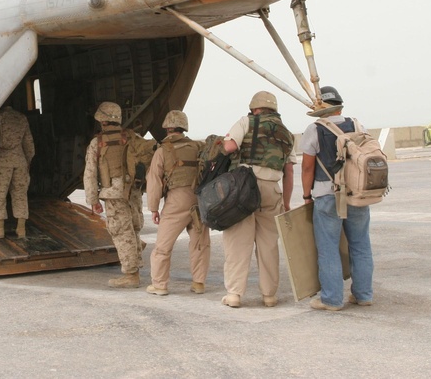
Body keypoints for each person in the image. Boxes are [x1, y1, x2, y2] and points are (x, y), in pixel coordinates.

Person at [300, 85, 374, 311]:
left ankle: (331, 299)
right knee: (361, 244)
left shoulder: (315, 129)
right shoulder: (358, 125)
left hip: (327, 194)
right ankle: (363, 294)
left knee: (328, 247)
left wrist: (306, 196)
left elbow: (307, 167)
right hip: (358, 193)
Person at [220, 90, 296, 308]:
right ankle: (269, 295)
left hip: (245, 187)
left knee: (238, 242)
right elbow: (289, 171)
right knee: (268, 244)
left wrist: (225, 140)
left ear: (254, 108)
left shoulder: (247, 122)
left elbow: (229, 147)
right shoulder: (286, 133)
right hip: (273, 190)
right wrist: (287, 202)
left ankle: (234, 294)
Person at [83, 101, 156, 288]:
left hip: (114, 194)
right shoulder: (133, 137)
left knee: (121, 232)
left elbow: (90, 173)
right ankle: (135, 264)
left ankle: (131, 275)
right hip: (133, 191)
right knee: (133, 228)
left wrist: (93, 200)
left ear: (102, 120)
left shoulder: (97, 143)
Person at [145, 110, 210, 295]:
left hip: (176, 200)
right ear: (184, 128)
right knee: (200, 242)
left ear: (167, 128)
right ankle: (199, 283)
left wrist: (154, 208)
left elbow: (154, 182)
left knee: (163, 245)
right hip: (199, 198)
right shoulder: (198, 146)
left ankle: (159, 285)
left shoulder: (162, 151)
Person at [0, 105, 35, 239]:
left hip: (3, 160)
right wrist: (27, 160)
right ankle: (21, 228)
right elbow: (29, 144)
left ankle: (0, 228)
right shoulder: (22, 118)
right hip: (20, 160)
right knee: (20, 193)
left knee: (0, 192)